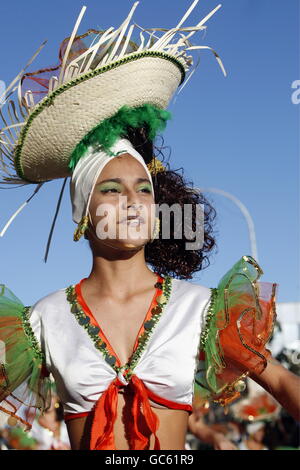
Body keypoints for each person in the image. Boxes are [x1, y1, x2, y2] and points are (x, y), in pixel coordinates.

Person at [0, 1, 299, 451]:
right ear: (83, 213)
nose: (133, 203)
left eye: (144, 189)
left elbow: (282, 383)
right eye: (112, 190)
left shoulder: (203, 309)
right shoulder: (42, 321)